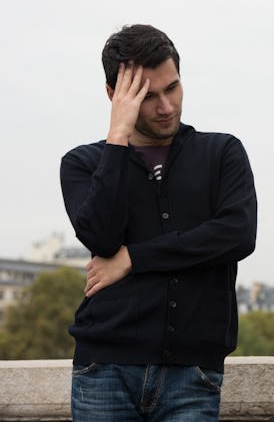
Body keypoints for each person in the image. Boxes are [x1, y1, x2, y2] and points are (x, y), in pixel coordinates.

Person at [59, 24, 257, 421]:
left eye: (173, 88)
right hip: (104, 370)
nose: (166, 106)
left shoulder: (223, 153)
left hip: (193, 372)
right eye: (148, 97)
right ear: (114, 95)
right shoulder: (83, 164)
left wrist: (134, 258)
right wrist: (118, 136)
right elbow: (100, 235)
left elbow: (236, 235)